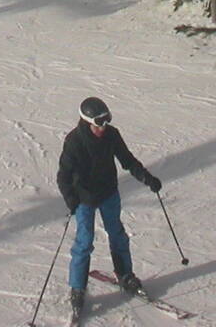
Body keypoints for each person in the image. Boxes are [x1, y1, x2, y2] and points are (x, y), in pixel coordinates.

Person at [56, 96, 161, 320]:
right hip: (84, 199)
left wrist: (147, 178)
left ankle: (125, 275)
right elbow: (63, 176)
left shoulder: (111, 135)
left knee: (118, 234)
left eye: (106, 121)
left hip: (108, 194)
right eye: (99, 123)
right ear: (87, 122)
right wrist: (71, 199)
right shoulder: (74, 141)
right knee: (84, 242)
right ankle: (78, 288)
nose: (103, 127)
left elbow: (127, 160)